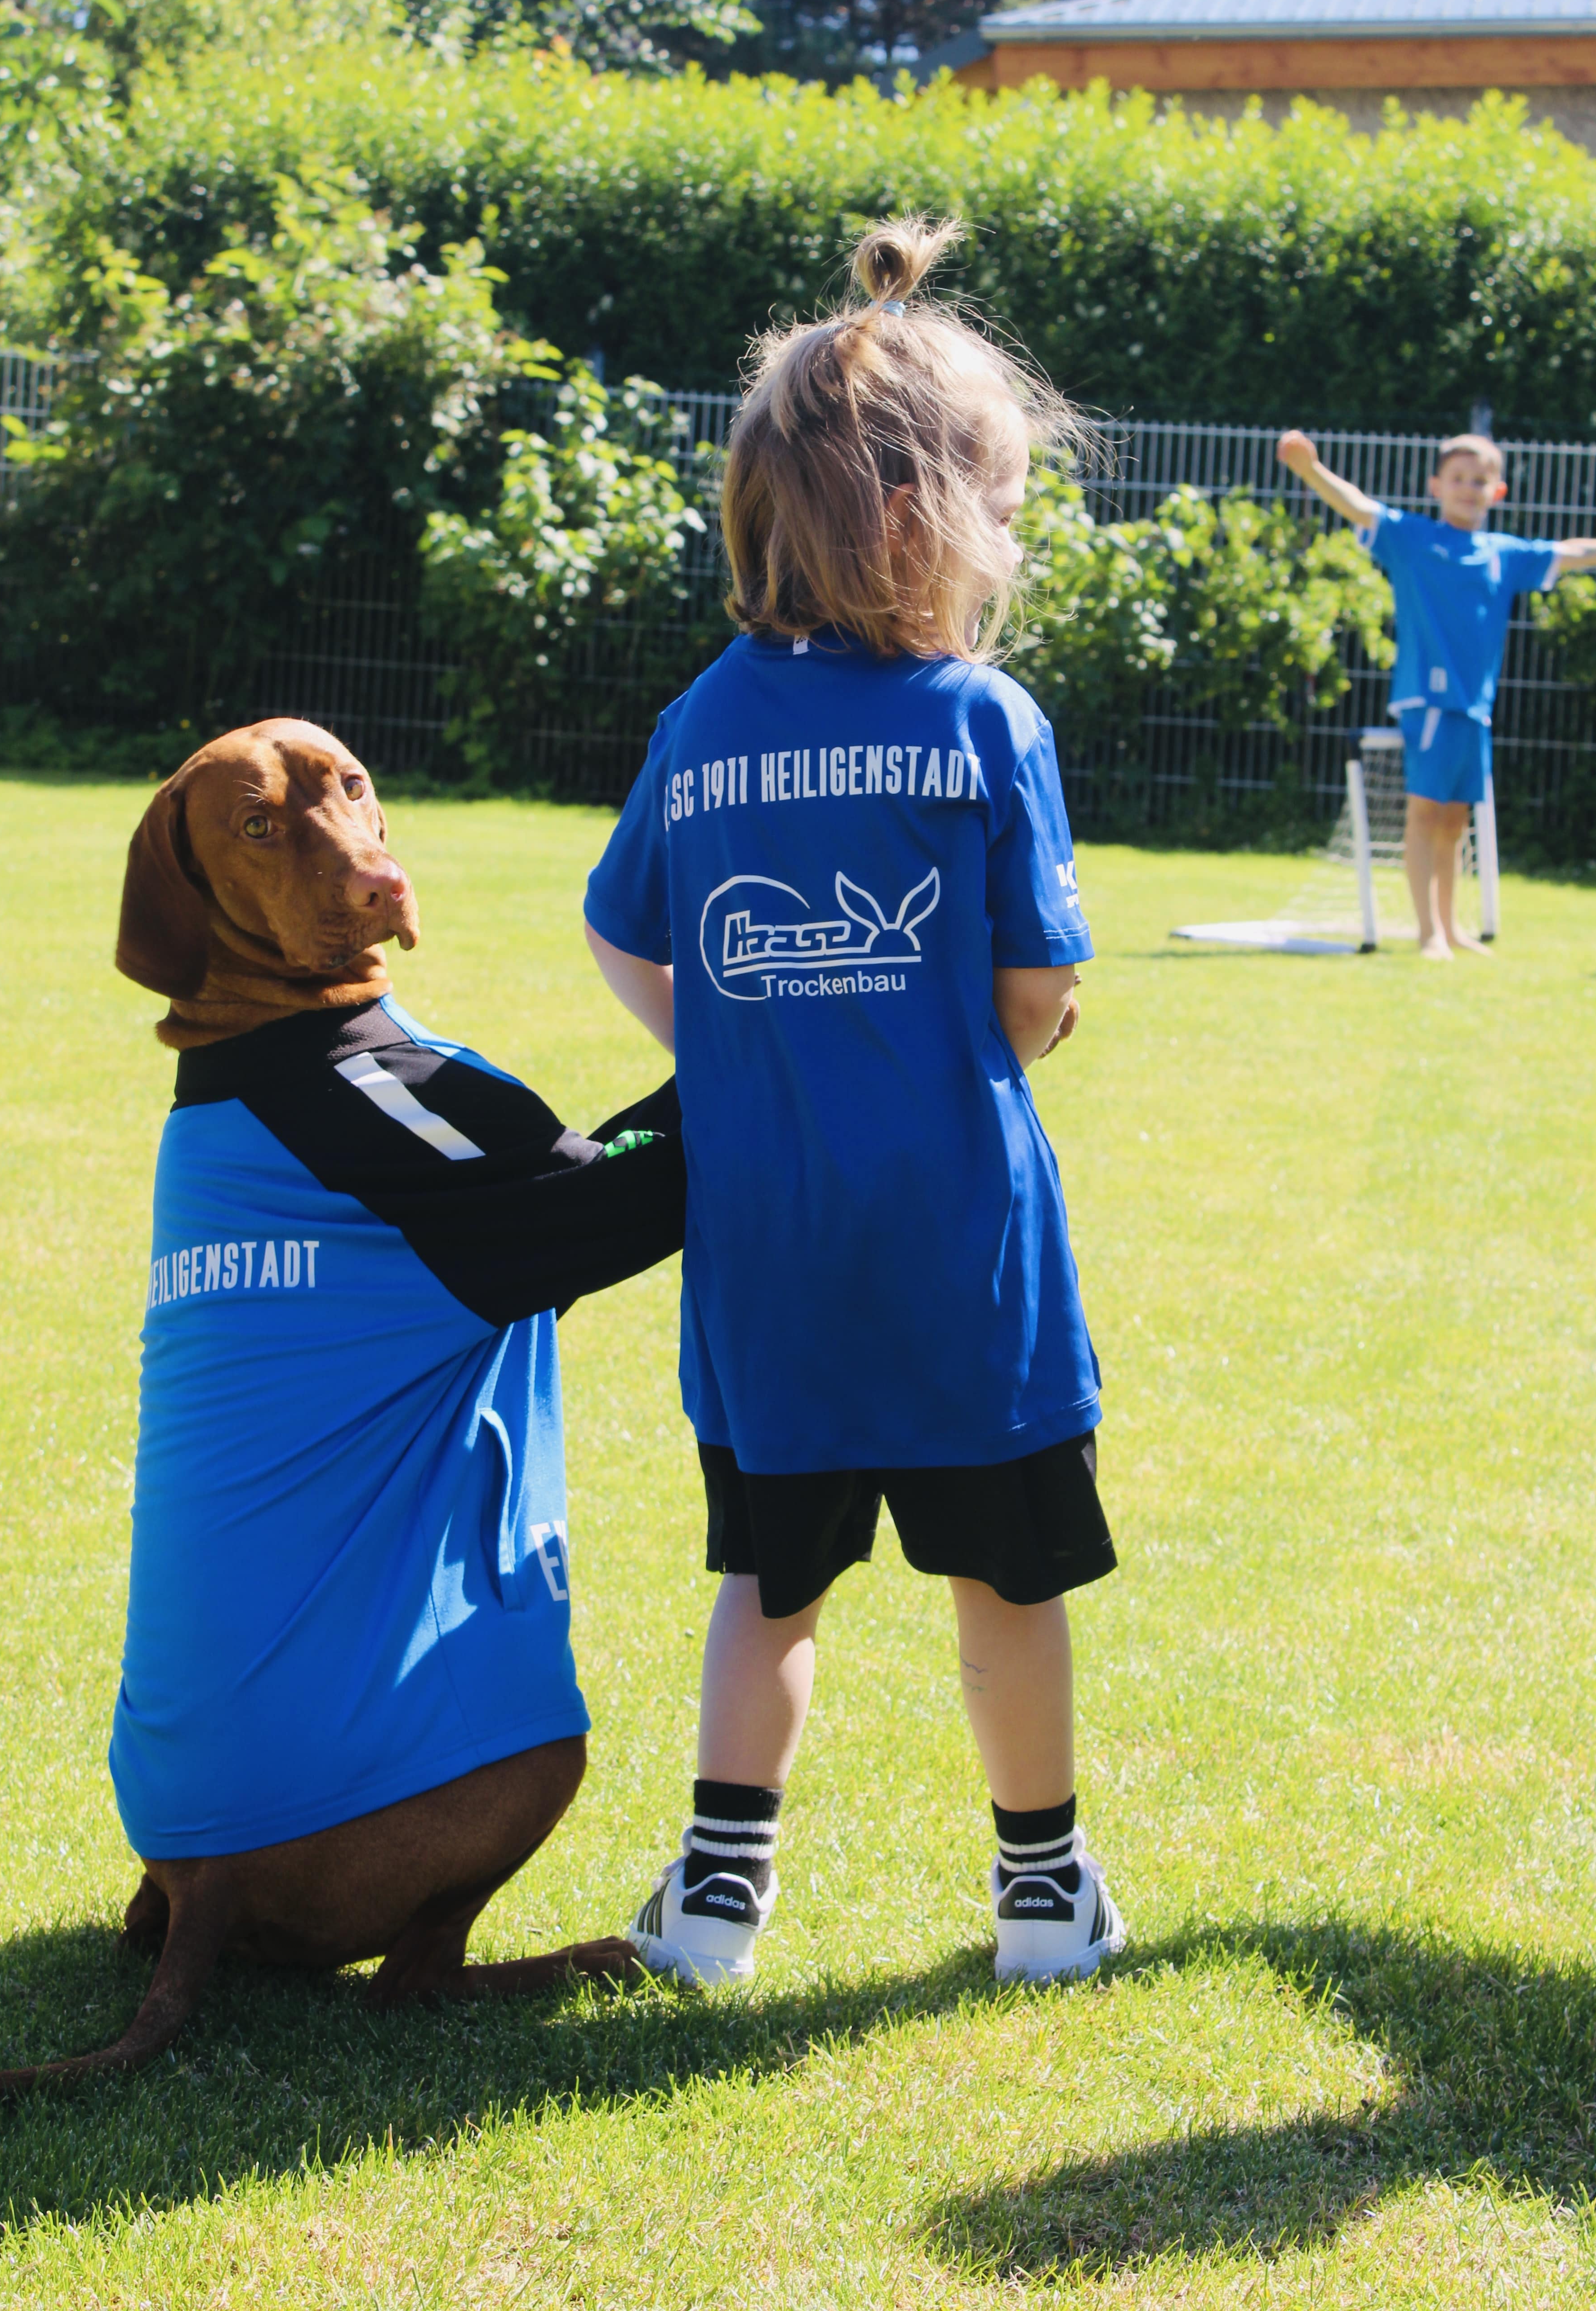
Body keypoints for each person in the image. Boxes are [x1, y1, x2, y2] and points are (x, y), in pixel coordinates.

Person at [582, 218, 1125, 1991]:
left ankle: (715, 1906)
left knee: (772, 1580)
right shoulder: (984, 721)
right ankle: (1043, 1901)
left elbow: (625, 935)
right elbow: (1033, 997)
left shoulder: (700, 722)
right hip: (964, 1253)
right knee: (1008, 1585)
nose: (1015, 537)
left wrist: (751, 1042)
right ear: (922, 516)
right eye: (1006, 500)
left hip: (772, 1255)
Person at [1276, 428, 1596, 957]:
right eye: (1458, 479)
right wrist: (1310, 470)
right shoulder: (1412, 539)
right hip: (1427, 699)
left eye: (1480, 480)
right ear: (1436, 486)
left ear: (1498, 492)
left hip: (1475, 707)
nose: (1468, 488)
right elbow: (1357, 507)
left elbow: (1574, 551)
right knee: (1425, 813)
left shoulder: (1504, 555)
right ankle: (1428, 935)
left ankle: (1451, 928)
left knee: (1455, 820)